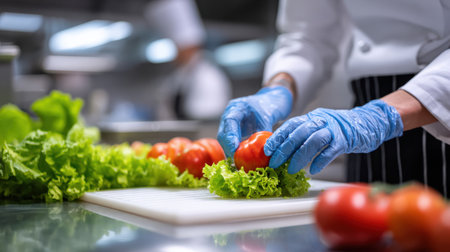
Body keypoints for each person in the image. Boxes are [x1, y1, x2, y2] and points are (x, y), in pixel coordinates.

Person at [217, 0, 450, 197]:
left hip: (441, 113)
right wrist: (278, 88)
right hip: (364, 119)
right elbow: (307, 37)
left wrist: (381, 116)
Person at [145, 0, 231, 120]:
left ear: (191, 46)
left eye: (177, 48)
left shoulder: (209, 77)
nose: (174, 54)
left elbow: (207, 119)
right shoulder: (176, 78)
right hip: (176, 138)